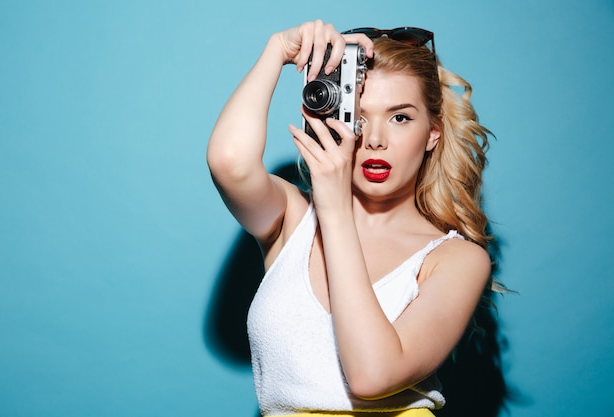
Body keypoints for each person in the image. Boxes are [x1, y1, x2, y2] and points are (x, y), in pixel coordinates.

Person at [207, 20, 502, 417]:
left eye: (400, 117)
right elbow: (230, 163)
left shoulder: (455, 260)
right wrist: (277, 50)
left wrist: (334, 208)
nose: (376, 138)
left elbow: (373, 376)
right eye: (358, 117)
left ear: (432, 132)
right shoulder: (295, 219)